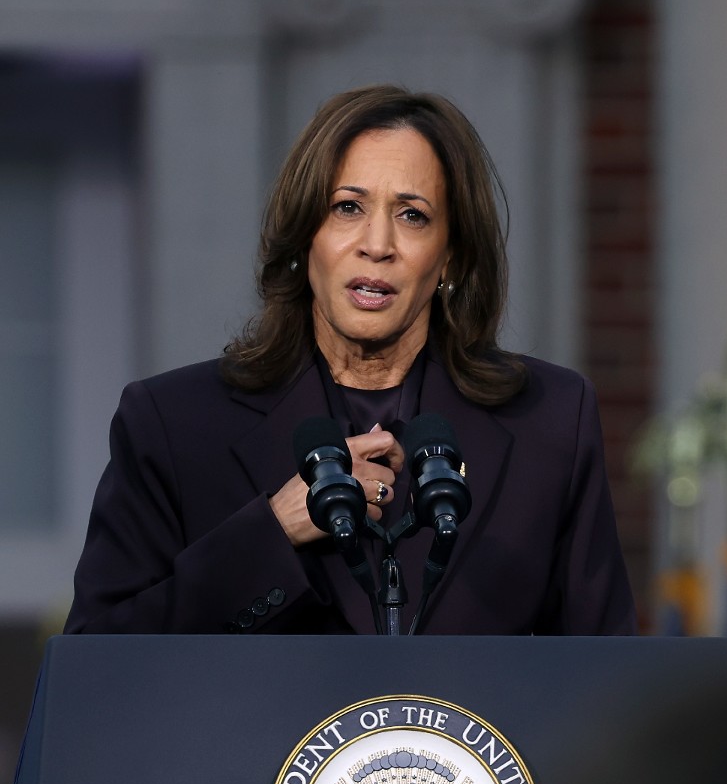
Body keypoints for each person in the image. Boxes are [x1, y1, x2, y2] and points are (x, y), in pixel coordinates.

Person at [64, 84, 635, 636]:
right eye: (347, 207)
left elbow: (606, 683)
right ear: (303, 235)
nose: (377, 243)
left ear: (452, 255)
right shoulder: (172, 424)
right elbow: (97, 664)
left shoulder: (550, 422)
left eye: (412, 215)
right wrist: (271, 532)